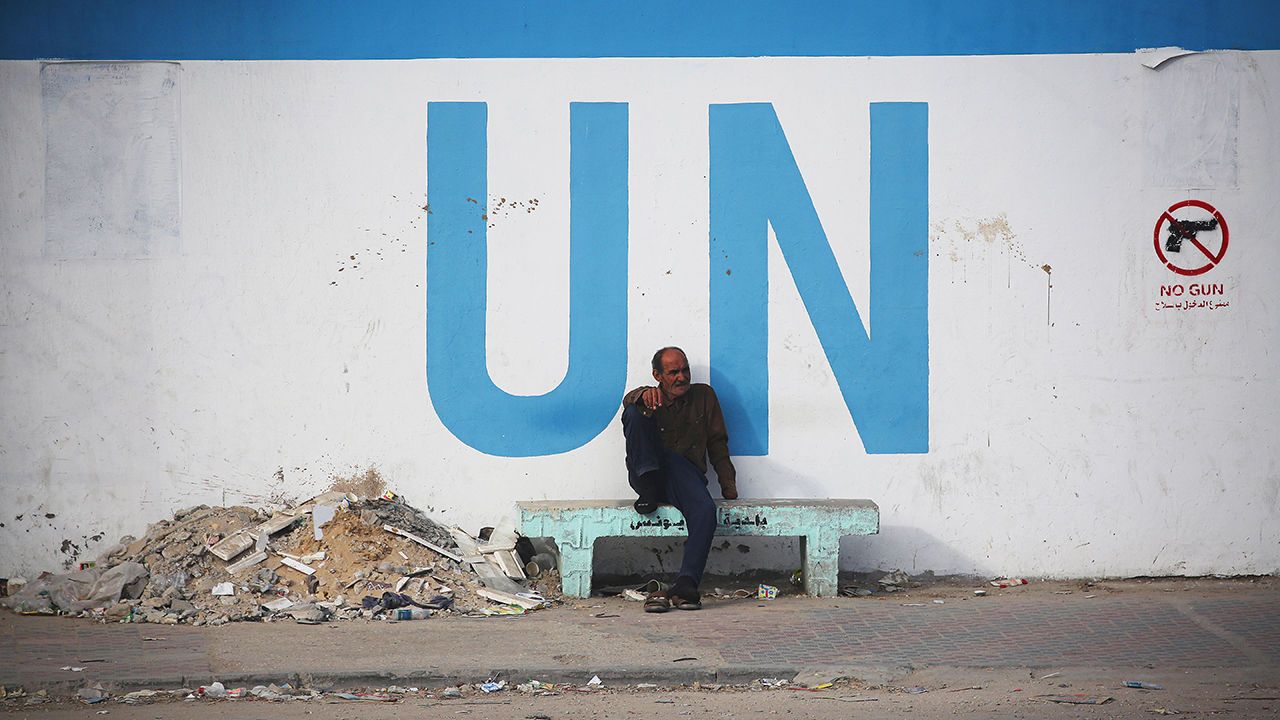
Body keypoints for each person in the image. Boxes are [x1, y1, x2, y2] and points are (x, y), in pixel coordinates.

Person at [620, 346, 737, 612]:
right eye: (673, 372)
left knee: (706, 511)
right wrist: (641, 395)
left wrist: (728, 483)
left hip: (684, 475)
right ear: (657, 375)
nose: (681, 377)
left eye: (685, 370)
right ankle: (648, 487)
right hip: (647, 477)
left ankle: (685, 585)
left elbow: (718, 443)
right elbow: (628, 401)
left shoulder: (704, 396)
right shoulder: (647, 399)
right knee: (635, 414)